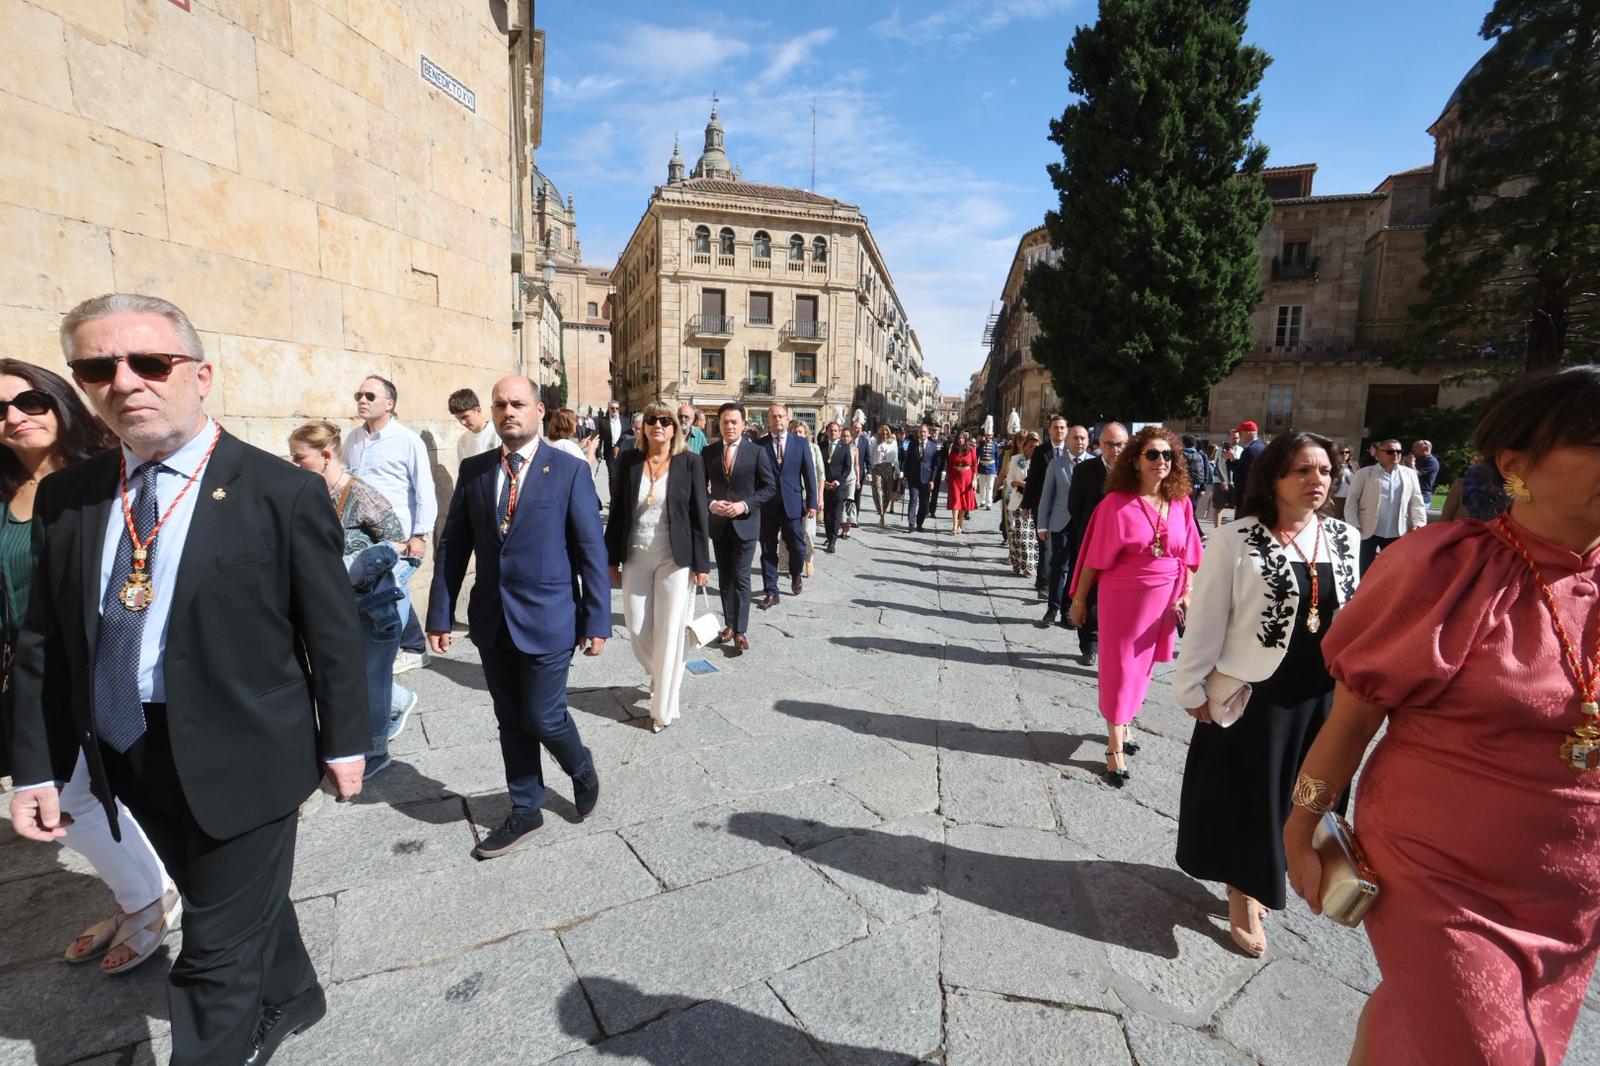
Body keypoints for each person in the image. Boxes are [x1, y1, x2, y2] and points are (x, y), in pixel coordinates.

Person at [9, 293, 368, 1065]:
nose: (126, 381)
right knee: (222, 897)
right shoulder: (71, 497)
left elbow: (333, 634)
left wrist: (347, 741)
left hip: (250, 752)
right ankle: (297, 994)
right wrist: (34, 767)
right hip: (129, 750)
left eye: (150, 362)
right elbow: (45, 638)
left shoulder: (283, 491)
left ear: (201, 375)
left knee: (211, 955)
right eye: (99, 367)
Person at [1285, 365, 1600, 1066]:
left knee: (1422, 1025)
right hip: (1441, 877)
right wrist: (1302, 823)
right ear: (1518, 465)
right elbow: (1352, 721)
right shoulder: (1445, 568)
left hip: (1570, 903)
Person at [0, 359, 178, 977]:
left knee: (75, 797)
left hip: (97, 670)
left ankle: (148, 899)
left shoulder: (100, 484)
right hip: (28, 673)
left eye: (29, 401)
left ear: (60, 402)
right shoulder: (9, 492)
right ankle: (142, 893)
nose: (14, 417)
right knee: (65, 798)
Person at [1173, 431, 1360, 957]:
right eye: (1302, 470)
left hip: (1321, 694)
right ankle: (1244, 890)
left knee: (1302, 797)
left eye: (1324, 470)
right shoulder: (1236, 539)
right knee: (1251, 796)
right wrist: (1191, 685)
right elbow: (1207, 619)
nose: (1316, 480)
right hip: (1256, 694)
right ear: (1273, 478)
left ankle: (1270, 870)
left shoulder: (1346, 537)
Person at [426, 376, 605, 858]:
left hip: (550, 617)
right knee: (510, 719)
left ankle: (580, 767)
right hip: (492, 618)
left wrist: (597, 619)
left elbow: (590, 549)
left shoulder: (568, 470)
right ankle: (526, 808)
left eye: (518, 404)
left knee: (544, 716)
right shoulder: (476, 470)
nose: (509, 412)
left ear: (539, 410)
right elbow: (453, 546)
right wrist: (440, 614)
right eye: (501, 404)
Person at [1069, 426, 1200, 787]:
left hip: (1163, 599)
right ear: (1136, 460)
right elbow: (1093, 559)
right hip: (1122, 597)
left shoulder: (1182, 502)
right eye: (1153, 455)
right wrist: (1080, 600)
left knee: (1142, 669)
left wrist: (1186, 592)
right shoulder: (1114, 505)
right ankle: (1114, 744)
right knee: (1120, 668)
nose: (1162, 461)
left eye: (1168, 455)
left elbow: (1189, 555)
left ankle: (1125, 724)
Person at [288, 420, 408, 780]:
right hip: (334, 609)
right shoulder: (313, 495)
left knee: (369, 683)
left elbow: (398, 542)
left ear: (326, 455)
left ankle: (375, 752)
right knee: (355, 678)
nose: (294, 466)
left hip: (372, 608)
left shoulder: (361, 494)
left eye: (299, 458)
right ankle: (399, 700)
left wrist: (357, 566)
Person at [606, 401, 710, 732]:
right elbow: (619, 512)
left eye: (666, 420)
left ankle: (662, 709)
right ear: (644, 426)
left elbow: (699, 515)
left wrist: (701, 562)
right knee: (637, 628)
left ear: (675, 428)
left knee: (669, 630)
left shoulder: (690, 462)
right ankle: (664, 673)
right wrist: (611, 558)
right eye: (652, 420)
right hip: (636, 553)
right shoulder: (629, 461)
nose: (659, 425)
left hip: (674, 557)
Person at [342, 374, 435, 688]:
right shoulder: (353, 439)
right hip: (362, 537)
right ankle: (413, 647)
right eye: (360, 394)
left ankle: (401, 649)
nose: (362, 400)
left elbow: (424, 489)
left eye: (370, 395)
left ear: (390, 403)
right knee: (387, 590)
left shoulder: (407, 441)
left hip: (398, 537)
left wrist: (420, 535)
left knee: (393, 589)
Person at [704, 403, 776, 653]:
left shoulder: (756, 452)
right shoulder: (708, 452)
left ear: (744, 425)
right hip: (720, 525)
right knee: (725, 577)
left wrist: (744, 505)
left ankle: (741, 631)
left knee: (742, 577)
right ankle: (729, 625)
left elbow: (769, 487)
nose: (730, 426)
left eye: (734, 422)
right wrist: (712, 504)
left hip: (746, 524)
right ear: (719, 424)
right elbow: (698, 490)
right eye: (725, 422)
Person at [1065, 423, 1130, 665]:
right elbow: (1074, 507)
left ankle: (1113, 641)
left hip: (1124, 550)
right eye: (1109, 444)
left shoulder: (1135, 473)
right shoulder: (1085, 470)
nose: (1115, 450)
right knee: (1089, 594)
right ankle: (1089, 644)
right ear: (1100, 445)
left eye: (1120, 444)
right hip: (1092, 544)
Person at [757, 404, 817, 608]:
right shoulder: (760, 445)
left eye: (781, 416)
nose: (777, 420)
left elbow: (809, 474)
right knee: (767, 549)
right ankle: (772, 591)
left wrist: (812, 503)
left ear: (787, 418)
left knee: (798, 547)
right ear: (768, 420)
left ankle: (795, 573)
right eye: (773, 417)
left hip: (792, 504)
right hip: (767, 506)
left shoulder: (800, 443)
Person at [1343, 438, 1428, 572]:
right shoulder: (1365, 473)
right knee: (1363, 569)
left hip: (1397, 531)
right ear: (1379, 454)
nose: (1396, 454)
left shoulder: (1409, 474)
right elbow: (1352, 501)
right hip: (1368, 530)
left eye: (1399, 451)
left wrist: (1419, 522)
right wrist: (1354, 525)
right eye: (1390, 452)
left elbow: (1416, 500)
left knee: (1392, 571)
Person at [1022, 416, 1073, 599]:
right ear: (1049, 430)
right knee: (1045, 545)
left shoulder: (1071, 451)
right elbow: (1033, 479)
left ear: (1066, 430)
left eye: (1062, 428)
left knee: (1060, 547)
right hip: (1041, 504)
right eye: (1055, 428)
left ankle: (1053, 581)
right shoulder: (1041, 452)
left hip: (1065, 508)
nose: (1059, 431)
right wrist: (1026, 505)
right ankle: (1044, 583)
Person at [1034, 435, 1076, 626]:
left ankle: (1067, 609)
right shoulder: (1056, 464)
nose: (1080, 441)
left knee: (1075, 569)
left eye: (1083, 438)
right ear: (1070, 440)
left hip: (1083, 525)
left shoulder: (1093, 463)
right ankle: (1053, 608)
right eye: (1076, 438)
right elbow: (1046, 495)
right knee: (1059, 567)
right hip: (1060, 523)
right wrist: (1042, 524)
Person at [1006, 434, 1039, 576]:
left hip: (1033, 503)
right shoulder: (1016, 460)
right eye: (1030, 446)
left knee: (1030, 537)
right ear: (1025, 446)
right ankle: (1015, 560)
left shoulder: (1040, 462)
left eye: (1036, 446)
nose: (1033, 449)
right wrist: (1019, 483)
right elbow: (1009, 481)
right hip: (1017, 502)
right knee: (1017, 536)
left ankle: (1028, 567)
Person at [795, 419, 826, 573]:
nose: (797, 434)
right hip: (793, 497)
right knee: (793, 532)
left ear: (806, 434)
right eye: (794, 432)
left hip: (809, 497)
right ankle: (794, 562)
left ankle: (809, 559)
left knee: (808, 532)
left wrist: (820, 498)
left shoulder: (813, 449)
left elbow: (821, 475)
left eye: (800, 432)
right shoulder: (787, 449)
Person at [449, 387, 498, 470]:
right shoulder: (463, 441)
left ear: (478, 410)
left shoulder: (498, 434)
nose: (462, 422)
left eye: (465, 417)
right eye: (458, 418)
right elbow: (463, 474)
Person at [945, 430, 978, 535]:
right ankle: (954, 525)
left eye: (962, 438)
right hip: (955, 477)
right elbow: (950, 464)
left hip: (967, 477)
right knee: (955, 499)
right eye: (959, 438)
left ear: (966, 439)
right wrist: (947, 475)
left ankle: (960, 525)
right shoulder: (953, 449)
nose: (960, 440)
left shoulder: (971, 449)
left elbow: (975, 465)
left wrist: (974, 479)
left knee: (963, 502)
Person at [548, 407, 600, 473]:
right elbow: (585, 468)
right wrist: (592, 448)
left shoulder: (556, 443)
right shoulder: (566, 445)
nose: (576, 423)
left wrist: (579, 446)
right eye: (575, 420)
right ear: (567, 424)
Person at [870, 424, 900, 528]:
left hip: (888, 468)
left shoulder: (893, 443)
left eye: (887, 433)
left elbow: (895, 458)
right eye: (883, 433)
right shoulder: (875, 442)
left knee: (887, 494)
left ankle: (883, 512)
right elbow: (871, 456)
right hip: (877, 468)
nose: (885, 435)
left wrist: (897, 471)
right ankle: (881, 514)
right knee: (877, 492)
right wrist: (869, 472)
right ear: (880, 433)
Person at [1231, 421, 1264, 508]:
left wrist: (1231, 460)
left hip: (1245, 493)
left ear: (1248, 433)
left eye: (1241, 433)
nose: (1240, 436)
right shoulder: (1261, 446)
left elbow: (1240, 472)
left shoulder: (1250, 450)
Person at [838, 423, 862, 538]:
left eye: (847, 436)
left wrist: (858, 479)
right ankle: (843, 527)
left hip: (851, 478)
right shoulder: (838, 448)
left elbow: (857, 465)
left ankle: (848, 527)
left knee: (849, 502)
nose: (845, 438)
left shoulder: (855, 449)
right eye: (843, 436)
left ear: (851, 438)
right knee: (841, 502)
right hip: (841, 479)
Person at [1327, 442, 1359, 519]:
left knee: (1347, 520)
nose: (1344, 454)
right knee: (1335, 520)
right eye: (1341, 452)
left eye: (1347, 452)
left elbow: (1359, 480)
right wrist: (1328, 497)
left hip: (1350, 498)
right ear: (1336, 454)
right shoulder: (1332, 466)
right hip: (1336, 497)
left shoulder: (1354, 465)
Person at [598, 400, 627, 484]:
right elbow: (599, 438)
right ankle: (613, 497)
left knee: (623, 476)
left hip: (623, 451)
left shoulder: (625, 421)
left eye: (617, 408)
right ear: (609, 409)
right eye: (612, 408)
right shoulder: (603, 422)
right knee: (612, 476)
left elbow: (629, 436)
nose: (615, 410)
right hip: (609, 451)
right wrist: (598, 454)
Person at [975, 430, 999, 511]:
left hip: (991, 468)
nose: (988, 437)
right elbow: (976, 456)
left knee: (990, 487)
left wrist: (996, 469)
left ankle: (989, 503)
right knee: (982, 486)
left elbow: (996, 458)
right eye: (987, 435)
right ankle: (982, 500)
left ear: (992, 435)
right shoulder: (981, 444)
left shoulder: (995, 445)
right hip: (982, 467)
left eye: (989, 435)